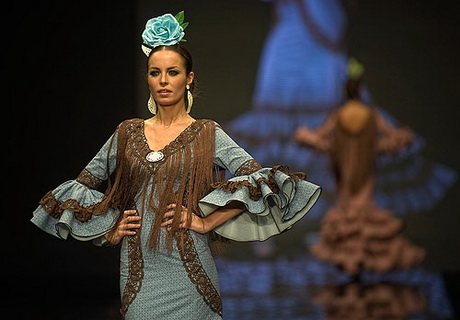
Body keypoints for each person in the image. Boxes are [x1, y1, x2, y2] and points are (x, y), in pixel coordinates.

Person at [31, 12, 321, 320]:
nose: (164, 81)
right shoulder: (127, 133)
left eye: (173, 72)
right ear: (148, 78)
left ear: (189, 78)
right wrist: (109, 227)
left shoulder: (207, 132)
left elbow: (261, 181)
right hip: (138, 270)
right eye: (155, 73)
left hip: (191, 273)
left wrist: (206, 223)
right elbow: (80, 186)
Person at [294, 59, 425, 275]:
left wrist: (333, 146)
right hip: (364, 176)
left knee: (346, 218)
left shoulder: (338, 116)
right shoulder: (372, 116)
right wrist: (375, 147)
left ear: (345, 90)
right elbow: (396, 137)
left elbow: (316, 137)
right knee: (364, 218)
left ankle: (352, 277)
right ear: (361, 90)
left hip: (345, 177)